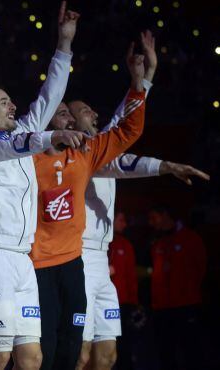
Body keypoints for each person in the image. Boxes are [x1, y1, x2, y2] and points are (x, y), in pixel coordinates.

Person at [70, 31, 209, 370]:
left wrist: (144, 77)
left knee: (107, 356)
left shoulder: (100, 144)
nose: (93, 113)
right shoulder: (77, 153)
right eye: (84, 111)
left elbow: (124, 121)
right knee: (80, 354)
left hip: (102, 263)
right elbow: (121, 161)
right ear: (69, 122)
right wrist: (165, 166)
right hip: (78, 258)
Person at [0, 1, 78, 370]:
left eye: (12, 102)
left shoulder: (22, 134)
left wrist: (65, 43)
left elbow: (50, 95)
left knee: (31, 358)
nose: (13, 108)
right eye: (4, 103)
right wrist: (50, 136)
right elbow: (12, 146)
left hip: (22, 260)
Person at [30, 42, 148, 370]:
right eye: (63, 112)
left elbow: (127, 130)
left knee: (90, 354)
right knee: (50, 353)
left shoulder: (86, 153)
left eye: (71, 113)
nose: (70, 118)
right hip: (40, 262)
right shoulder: (26, 156)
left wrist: (141, 82)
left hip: (78, 263)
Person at [148, 204, 206, 370]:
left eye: (154, 217)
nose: (151, 222)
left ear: (165, 214)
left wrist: (189, 294)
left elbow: (201, 268)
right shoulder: (156, 242)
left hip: (185, 306)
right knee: (165, 354)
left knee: (191, 352)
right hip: (161, 309)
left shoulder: (190, 238)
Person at [107, 212, 137, 370]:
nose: (124, 224)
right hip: (102, 304)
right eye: (121, 220)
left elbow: (131, 275)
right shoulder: (99, 244)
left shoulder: (125, 244)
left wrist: (133, 302)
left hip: (123, 304)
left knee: (124, 346)